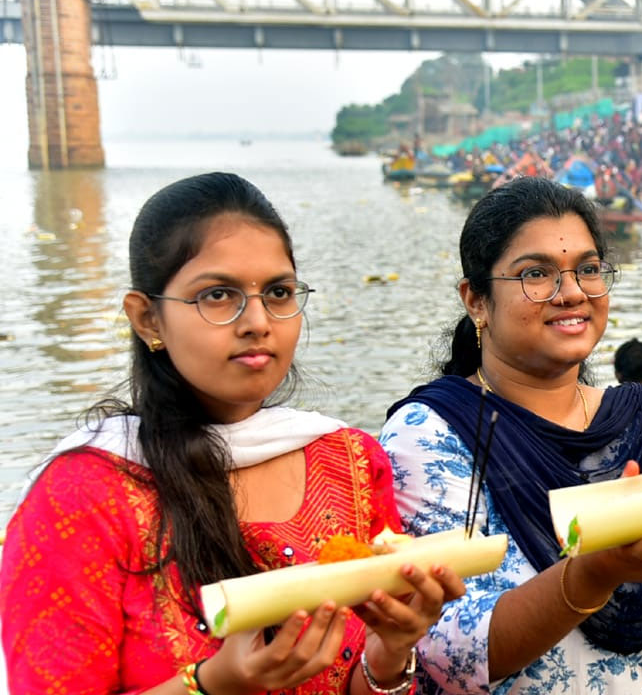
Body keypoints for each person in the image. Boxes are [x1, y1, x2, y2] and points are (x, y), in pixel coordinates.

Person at [0, 172, 461, 693]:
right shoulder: (82, 496)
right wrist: (212, 684)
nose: (258, 321)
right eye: (218, 295)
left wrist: (390, 654)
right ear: (147, 319)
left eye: (279, 292)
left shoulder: (348, 461)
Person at [382, 177, 642, 695]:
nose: (573, 292)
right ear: (476, 300)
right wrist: (594, 573)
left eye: (588, 269)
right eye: (536, 274)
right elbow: (447, 654)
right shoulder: (429, 434)